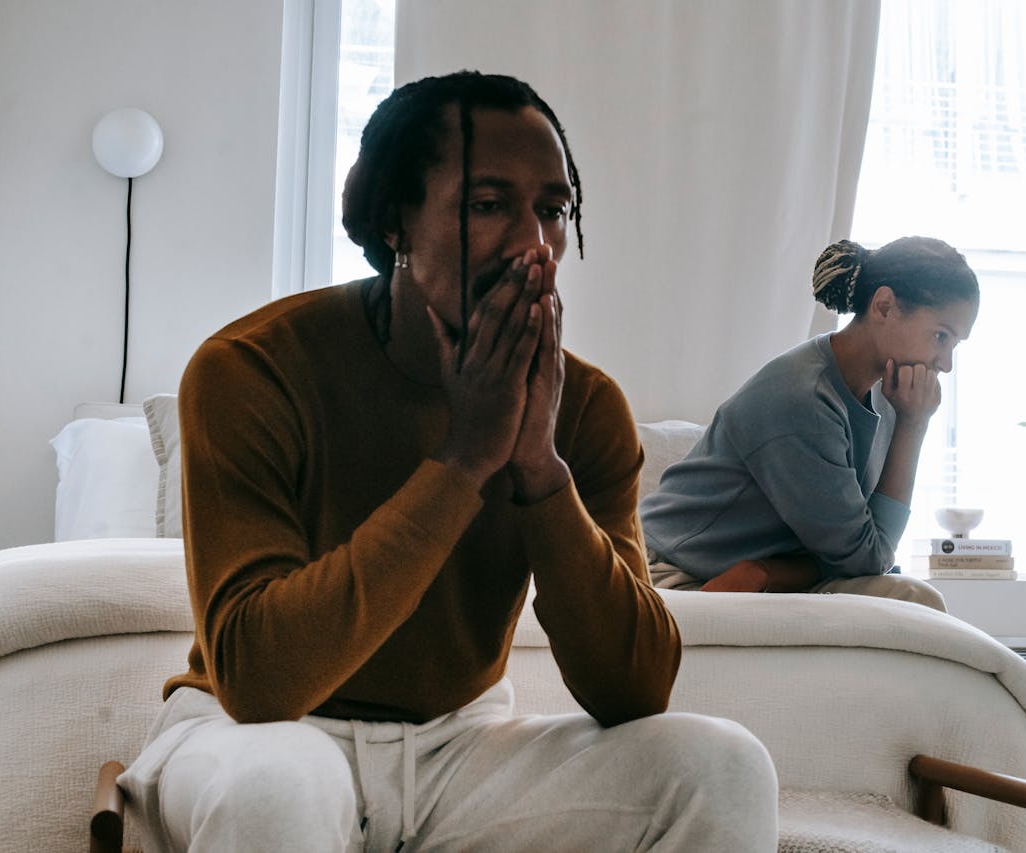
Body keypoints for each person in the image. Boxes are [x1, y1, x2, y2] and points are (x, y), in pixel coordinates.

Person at [117, 71, 777, 852]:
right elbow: (261, 681)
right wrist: (465, 459)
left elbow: (633, 687)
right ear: (396, 219)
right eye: (488, 205)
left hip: (458, 746)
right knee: (279, 788)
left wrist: (537, 465)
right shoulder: (252, 368)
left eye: (553, 211)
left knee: (724, 765)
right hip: (254, 735)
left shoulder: (587, 406)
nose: (534, 244)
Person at [639, 236, 980, 610]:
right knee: (910, 598)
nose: (945, 363)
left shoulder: (889, 391)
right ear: (884, 306)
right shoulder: (803, 398)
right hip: (675, 572)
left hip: (754, 573)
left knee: (913, 598)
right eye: (940, 336)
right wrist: (914, 427)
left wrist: (766, 571)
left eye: (954, 344)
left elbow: (862, 554)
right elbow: (868, 558)